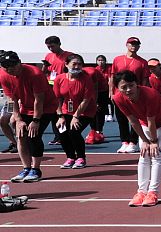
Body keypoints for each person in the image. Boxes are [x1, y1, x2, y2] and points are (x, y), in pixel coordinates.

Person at [112, 71, 161, 207]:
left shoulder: (149, 94)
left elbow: (151, 120)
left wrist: (153, 142)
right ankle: (141, 192)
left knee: (156, 154)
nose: (128, 90)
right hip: (144, 122)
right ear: (117, 88)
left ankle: (153, 192)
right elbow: (133, 120)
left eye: (131, 85)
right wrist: (145, 141)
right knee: (144, 154)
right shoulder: (118, 98)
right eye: (124, 87)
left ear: (137, 84)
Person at [0, 51, 52, 182]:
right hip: (25, 105)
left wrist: (35, 120)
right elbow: (11, 99)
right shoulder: (4, 75)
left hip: (46, 107)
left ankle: (36, 169)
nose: (9, 69)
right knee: (21, 135)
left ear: (19, 63)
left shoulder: (35, 74)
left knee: (33, 134)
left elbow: (38, 100)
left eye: (12, 65)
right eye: (5, 66)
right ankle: (26, 168)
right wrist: (17, 119)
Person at [52, 54, 95, 169]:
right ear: (66, 64)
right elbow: (57, 99)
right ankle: (70, 157)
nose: (76, 66)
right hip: (66, 110)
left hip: (85, 111)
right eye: (74, 64)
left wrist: (76, 116)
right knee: (61, 130)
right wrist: (60, 115)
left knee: (74, 131)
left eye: (79, 64)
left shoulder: (86, 79)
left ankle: (81, 158)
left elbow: (86, 100)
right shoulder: (59, 79)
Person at [111, 37, 149, 153]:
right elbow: (112, 77)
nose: (134, 46)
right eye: (132, 44)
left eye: (136, 44)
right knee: (121, 119)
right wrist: (111, 93)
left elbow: (144, 80)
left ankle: (134, 142)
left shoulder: (142, 62)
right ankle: (124, 142)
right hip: (119, 95)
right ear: (127, 45)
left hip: (134, 95)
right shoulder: (117, 59)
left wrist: (141, 93)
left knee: (135, 118)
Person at [85, 54, 110, 145]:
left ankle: (99, 130)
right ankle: (92, 130)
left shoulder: (94, 72)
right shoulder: (90, 71)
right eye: (98, 60)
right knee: (91, 111)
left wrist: (95, 102)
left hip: (102, 92)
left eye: (102, 60)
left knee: (100, 111)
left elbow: (95, 88)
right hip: (92, 92)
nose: (100, 62)